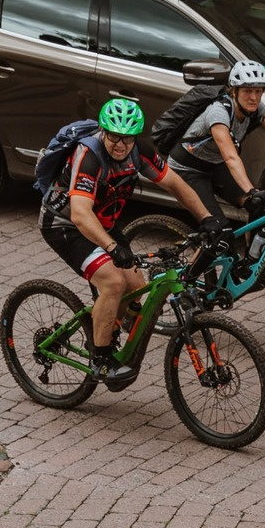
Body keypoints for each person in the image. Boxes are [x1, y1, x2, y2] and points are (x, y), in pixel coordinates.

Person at [37, 97, 215, 389]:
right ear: (104, 132)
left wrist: (206, 218)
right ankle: (100, 357)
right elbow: (81, 215)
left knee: (136, 286)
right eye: (114, 137)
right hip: (65, 225)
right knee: (112, 282)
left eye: (128, 139)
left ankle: (109, 327)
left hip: (103, 223)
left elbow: (175, 184)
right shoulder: (90, 156)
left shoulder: (139, 151)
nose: (120, 145)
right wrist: (111, 248)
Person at [164, 59, 265, 224]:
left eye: (258, 91)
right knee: (218, 231)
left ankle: (253, 250)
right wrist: (251, 190)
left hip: (215, 165)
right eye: (247, 91)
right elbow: (231, 158)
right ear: (234, 91)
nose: (254, 97)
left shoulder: (257, 109)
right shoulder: (218, 113)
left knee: (259, 206)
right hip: (187, 170)